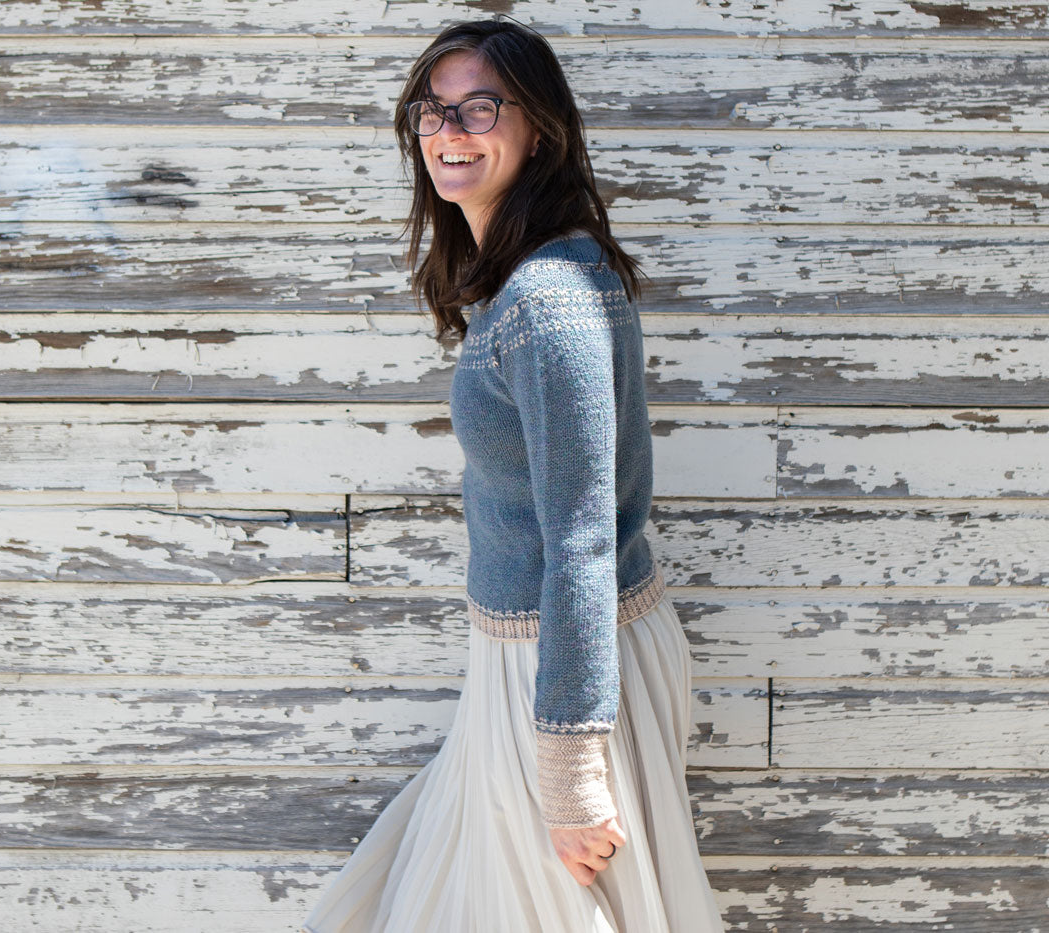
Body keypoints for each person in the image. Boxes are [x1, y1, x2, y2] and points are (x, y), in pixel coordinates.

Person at [301, 18, 723, 933]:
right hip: (542, 653)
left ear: (538, 129)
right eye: (433, 109)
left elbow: (578, 538)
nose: (451, 129)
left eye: (480, 107)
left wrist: (570, 772)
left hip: (563, 666)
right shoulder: (528, 280)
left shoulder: (548, 300)